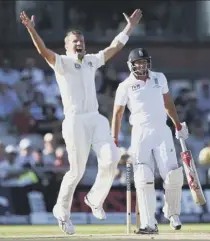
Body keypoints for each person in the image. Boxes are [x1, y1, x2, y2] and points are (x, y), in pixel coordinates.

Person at [19, 9, 143, 235]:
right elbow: (42, 50)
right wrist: (31, 30)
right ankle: (62, 211)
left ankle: (95, 199)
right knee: (76, 171)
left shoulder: (91, 61)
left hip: (95, 118)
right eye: (75, 41)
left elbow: (114, 48)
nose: (80, 44)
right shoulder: (62, 62)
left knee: (112, 156)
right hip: (75, 120)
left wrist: (129, 28)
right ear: (67, 45)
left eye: (82, 41)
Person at [111, 48, 189, 234]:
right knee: (143, 177)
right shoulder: (125, 86)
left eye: (145, 62)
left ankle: (172, 214)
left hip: (162, 130)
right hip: (140, 133)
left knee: (172, 174)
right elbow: (118, 113)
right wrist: (114, 138)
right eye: (138, 63)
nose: (142, 65)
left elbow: (168, 104)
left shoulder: (159, 78)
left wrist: (178, 125)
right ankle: (149, 223)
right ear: (131, 65)